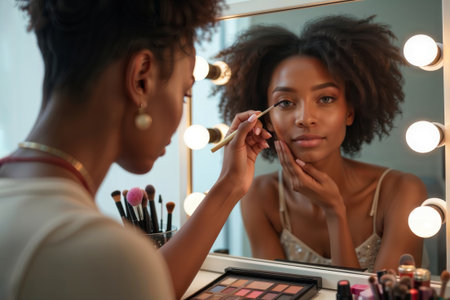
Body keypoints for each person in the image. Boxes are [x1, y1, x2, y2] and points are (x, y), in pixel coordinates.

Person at [0, 1, 272, 299]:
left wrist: (229, 186)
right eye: (185, 94)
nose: (181, 114)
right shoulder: (100, 252)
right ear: (142, 77)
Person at [215, 15, 427, 272]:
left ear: (349, 111)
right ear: (267, 118)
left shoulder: (401, 193)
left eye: (325, 98)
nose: (305, 118)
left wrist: (334, 211)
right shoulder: (260, 196)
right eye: (285, 102)